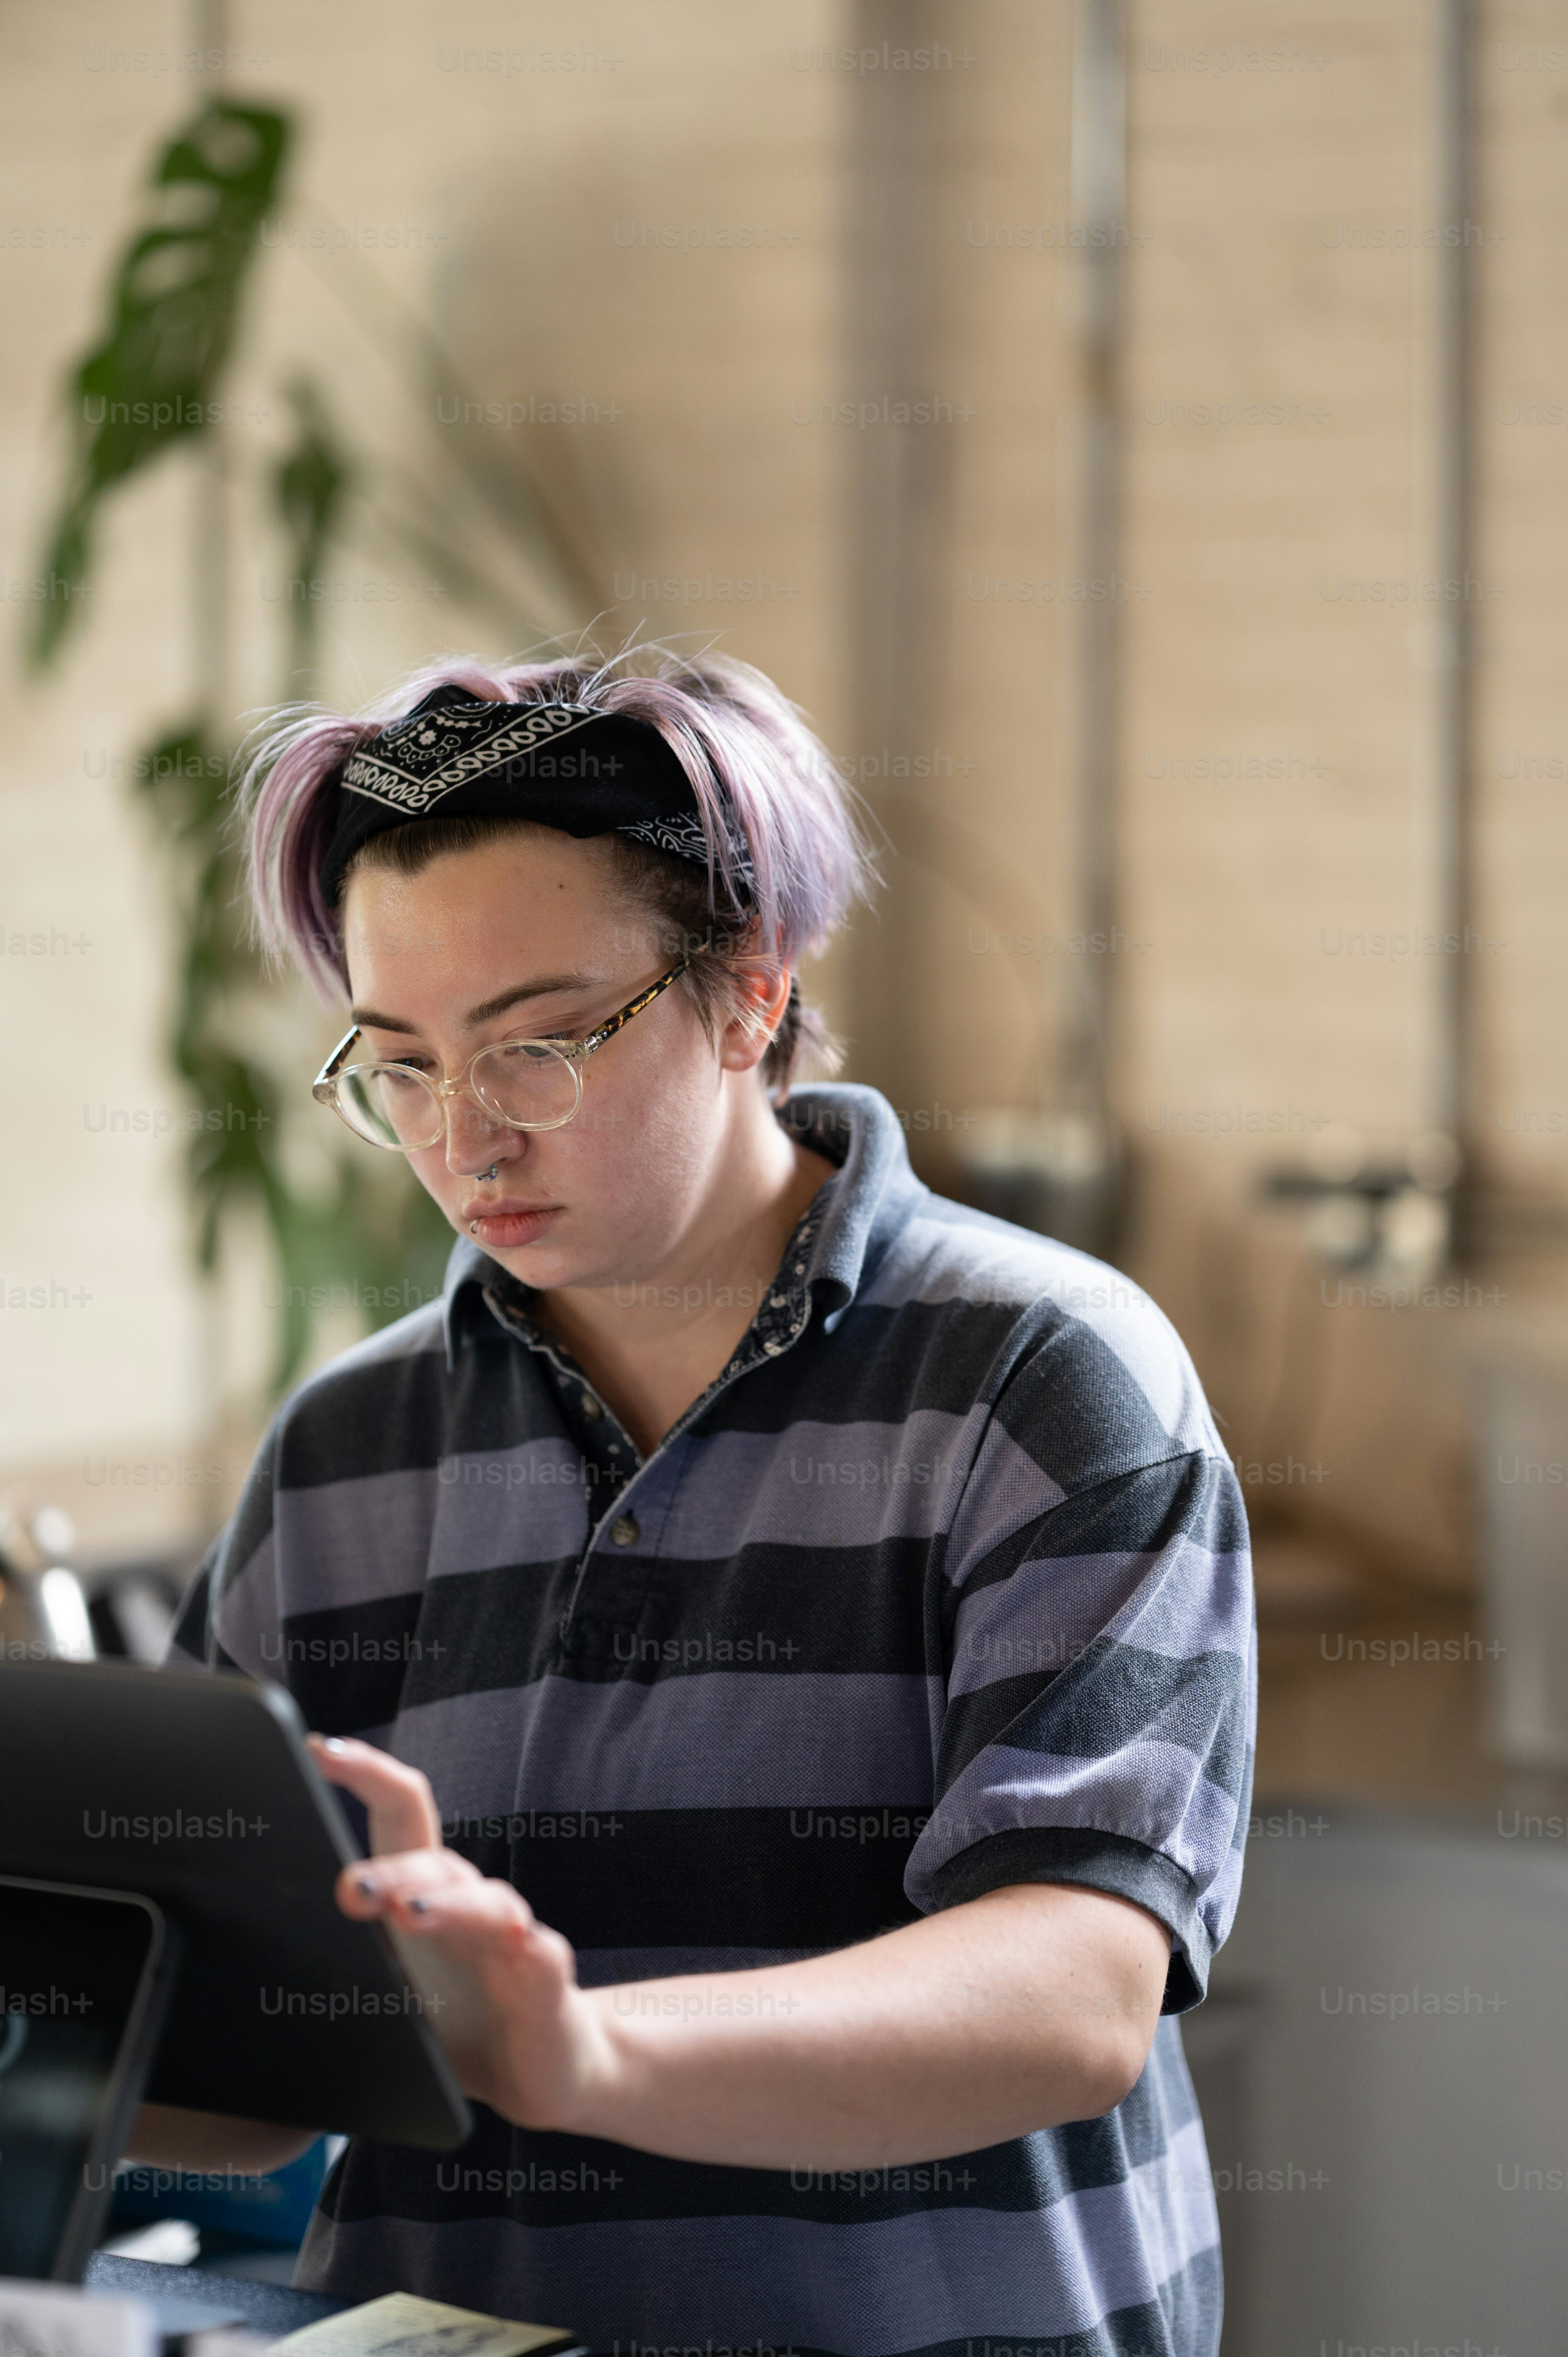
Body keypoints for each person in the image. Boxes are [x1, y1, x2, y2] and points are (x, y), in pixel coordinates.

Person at [134, 643, 1255, 2357]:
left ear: (749, 993)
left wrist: (574, 2054)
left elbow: (1069, 1988)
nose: (466, 1142)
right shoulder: (349, 1453)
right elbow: (260, 2081)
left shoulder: (1038, 1380)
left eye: (537, 1048)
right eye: (400, 1065)